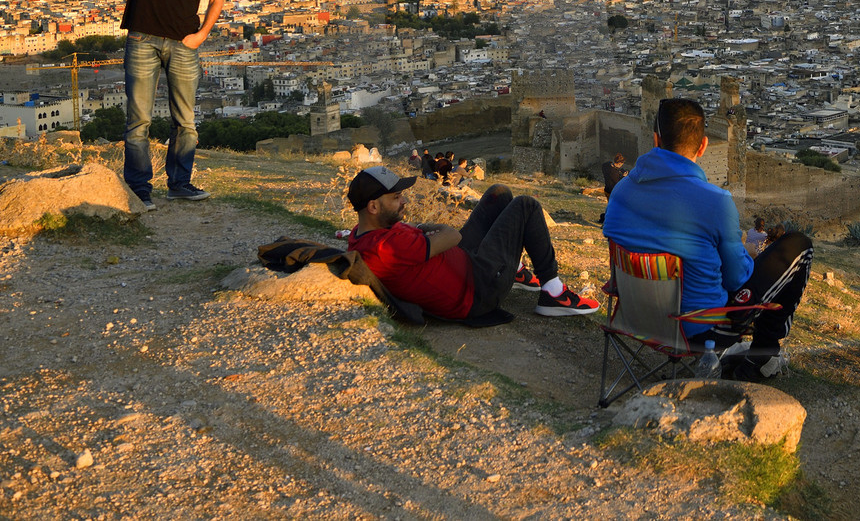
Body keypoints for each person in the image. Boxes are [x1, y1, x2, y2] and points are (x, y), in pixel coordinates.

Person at [603, 98, 811, 381]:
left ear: (655, 139)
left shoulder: (620, 193)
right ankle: (763, 356)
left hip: (634, 317)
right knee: (798, 245)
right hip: (700, 330)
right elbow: (738, 279)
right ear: (702, 146)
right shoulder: (715, 201)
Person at [108, 0, 230, 210]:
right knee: (138, 121)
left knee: (185, 121)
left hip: (183, 43)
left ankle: (179, 184)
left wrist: (201, 35)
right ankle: (139, 190)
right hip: (143, 38)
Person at [345, 165, 600, 321]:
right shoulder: (385, 247)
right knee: (526, 206)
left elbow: (426, 238)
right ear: (373, 206)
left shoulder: (365, 231)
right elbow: (451, 236)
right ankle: (554, 294)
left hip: (463, 263)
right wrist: (427, 228)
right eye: (397, 197)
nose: (405, 202)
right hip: (478, 289)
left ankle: (515, 270)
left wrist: (419, 231)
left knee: (498, 193)